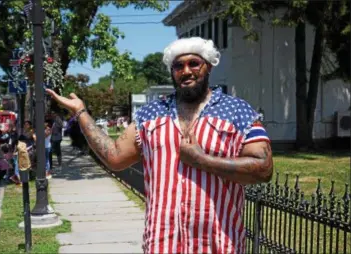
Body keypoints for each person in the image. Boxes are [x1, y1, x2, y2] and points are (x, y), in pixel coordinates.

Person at [46, 37, 273, 254]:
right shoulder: (150, 114)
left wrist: (203, 160)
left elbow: (263, 168)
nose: (186, 71)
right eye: (178, 66)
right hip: (162, 244)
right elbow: (115, 157)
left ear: (208, 67)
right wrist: (81, 113)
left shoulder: (237, 111)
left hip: (220, 245)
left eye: (194, 63)